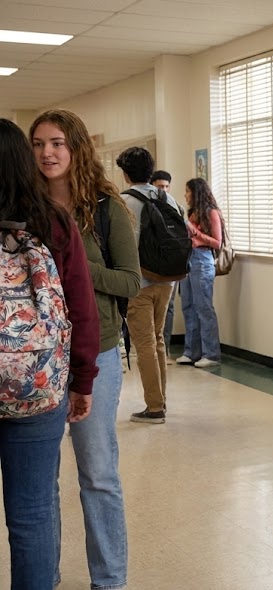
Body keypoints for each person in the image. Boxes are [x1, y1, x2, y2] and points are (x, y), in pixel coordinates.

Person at [30, 109, 140, 590]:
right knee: (40, 481)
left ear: (76, 148)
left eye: (57, 143)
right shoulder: (23, 205)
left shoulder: (105, 207)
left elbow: (131, 282)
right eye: (37, 144)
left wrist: (71, 266)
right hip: (38, 360)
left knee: (97, 474)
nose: (47, 153)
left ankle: (109, 580)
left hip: (97, 354)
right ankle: (45, 576)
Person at [0, 117, 99, 589]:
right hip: (38, 389)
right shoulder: (54, 222)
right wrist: (82, 381)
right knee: (33, 515)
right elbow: (80, 308)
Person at [116, 147, 182, 424]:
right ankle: (160, 401)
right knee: (157, 341)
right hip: (167, 281)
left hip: (139, 283)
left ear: (125, 173)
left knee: (143, 344)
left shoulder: (124, 203)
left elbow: (123, 246)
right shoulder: (169, 198)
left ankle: (154, 408)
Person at [175, 177, 222, 368]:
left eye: (188, 191)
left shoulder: (211, 213)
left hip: (202, 260)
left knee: (203, 307)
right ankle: (191, 351)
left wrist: (195, 233)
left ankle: (211, 353)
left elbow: (217, 242)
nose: (185, 195)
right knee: (188, 306)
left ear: (196, 193)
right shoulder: (192, 213)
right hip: (187, 260)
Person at [151, 170, 180, 361]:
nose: (164, 189)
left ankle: (165, 348)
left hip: (170, 267)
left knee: (168, 307)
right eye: (160, 186)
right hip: (149, 267)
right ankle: (149, 348)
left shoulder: (175, 207)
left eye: (166, 186)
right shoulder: (147, 206)